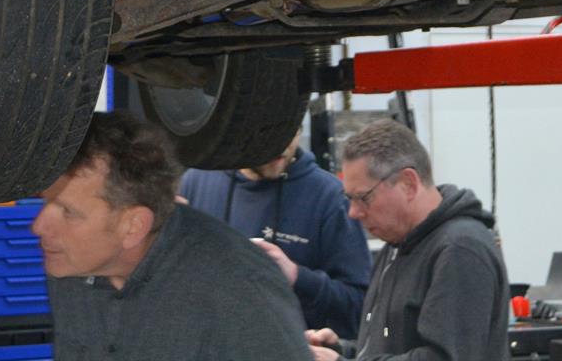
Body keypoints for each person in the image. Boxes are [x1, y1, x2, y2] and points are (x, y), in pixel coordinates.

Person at [35, 111, 311, 361]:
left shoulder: (241, 289)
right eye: (46, 202)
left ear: (133, 227)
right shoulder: (72, 267)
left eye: (68, 212)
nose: (38, 226)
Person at [305, 118, 509, 361]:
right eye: (350, 199)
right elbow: (389, 347)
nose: (353, 212)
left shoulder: (460, 250)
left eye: (363, 198)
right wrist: (343, 350)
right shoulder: (396, 246)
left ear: (408, 184)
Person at [181, 132, 373, 338]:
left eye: (290, 128)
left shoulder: (330, 197)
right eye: (267, 131)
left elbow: (360, 311)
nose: (281, 144)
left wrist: (298, 277)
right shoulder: (196, 182)